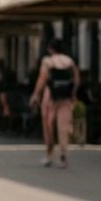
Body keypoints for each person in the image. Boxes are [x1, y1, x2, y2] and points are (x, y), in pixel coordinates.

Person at [30, 38, 81, 168]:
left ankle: (49, 154)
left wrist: (35, 95)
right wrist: (73, 94)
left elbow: (42, 79)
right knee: (63, 125)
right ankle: (63, 155)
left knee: (48, 124)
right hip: (65, 96)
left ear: (51, 49)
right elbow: (76, 79)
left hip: (50, 96)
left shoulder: (47, 61)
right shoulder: (69, 61)